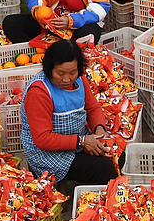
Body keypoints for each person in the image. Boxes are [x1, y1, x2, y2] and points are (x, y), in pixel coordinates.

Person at [20, 39, 120, 185]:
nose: (67, 79)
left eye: (72, 72)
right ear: (49, 69)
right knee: (104, 169)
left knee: (117, 153)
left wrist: (99, 128)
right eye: (60, 73)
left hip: (79, 141)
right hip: (49, 154)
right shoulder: (39, 92)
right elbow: (42, 138)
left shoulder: (79, 80)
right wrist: (82, 141)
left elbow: (92, 108)